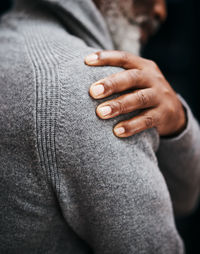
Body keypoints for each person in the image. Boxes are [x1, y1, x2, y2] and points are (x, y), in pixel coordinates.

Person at [0, 0, 200, 253]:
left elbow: (183, 198)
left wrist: (177, 123)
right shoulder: (95, 85)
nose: (161, 11)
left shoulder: (10, 43)